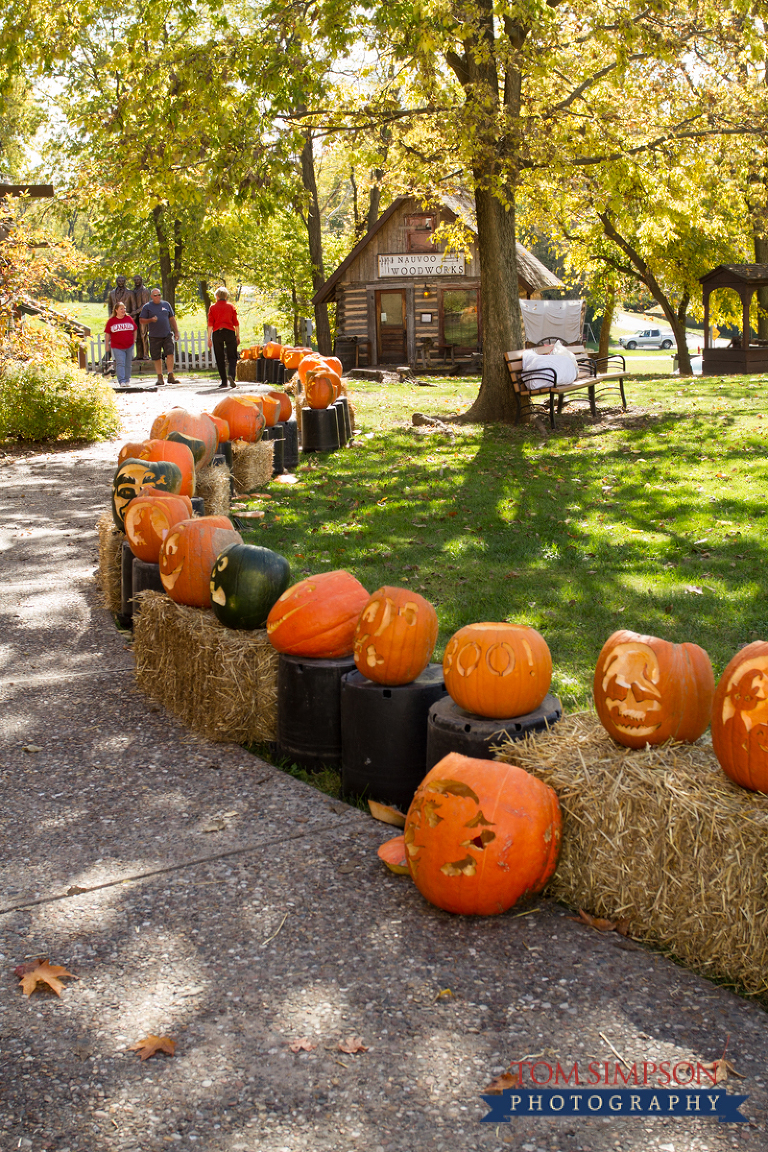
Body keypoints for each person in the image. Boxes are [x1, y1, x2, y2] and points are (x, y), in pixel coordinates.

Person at [139, 287, 181, 386]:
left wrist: (176, 331)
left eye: (159, 295)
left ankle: (170, 376)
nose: (158, 297)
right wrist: (151, 320)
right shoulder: (147, 307)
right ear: (151, 297)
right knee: (157, 357)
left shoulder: (166, 305)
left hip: (167, 334)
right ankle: (160, 377)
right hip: (154, 336)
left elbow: (172, 318)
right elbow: (141, 320)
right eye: (155, 295)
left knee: (170, 354)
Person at [207, 286, 240, 388]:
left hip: (218, 333)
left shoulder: (212, 308)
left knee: (219, 356)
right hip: (229, 332)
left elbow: (210, 324)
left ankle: (224, 381)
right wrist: (237, 335)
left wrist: (209, 338)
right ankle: (231, 375)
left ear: (216, 296)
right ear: (226, 296)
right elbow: (236, 322)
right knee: (232, 356)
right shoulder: (231, 307)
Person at [104, 301, 138, 388]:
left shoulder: (129, 318)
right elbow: (107, 333)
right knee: (120, 363)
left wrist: (134, 340)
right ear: (116, 310)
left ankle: (127, 380)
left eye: (124, 308)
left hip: (129, 345)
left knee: (127, 363)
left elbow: (135, 330)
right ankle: (121, 381)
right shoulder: (112, 321)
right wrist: (107, 345)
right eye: (121, 309)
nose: (123, 310)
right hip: (117, 346)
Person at [132, 275, 151, 360]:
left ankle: (146, 354)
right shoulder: (134, 291)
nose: (136, 281)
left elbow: (145, 304)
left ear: (141, 280)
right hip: (135, 316)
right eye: (135, 280)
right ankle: (139, 354)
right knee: (137, 335)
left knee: (144, 335)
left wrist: (135, 311)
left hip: (143, 315)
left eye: (138, 280)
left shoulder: (144, 290)